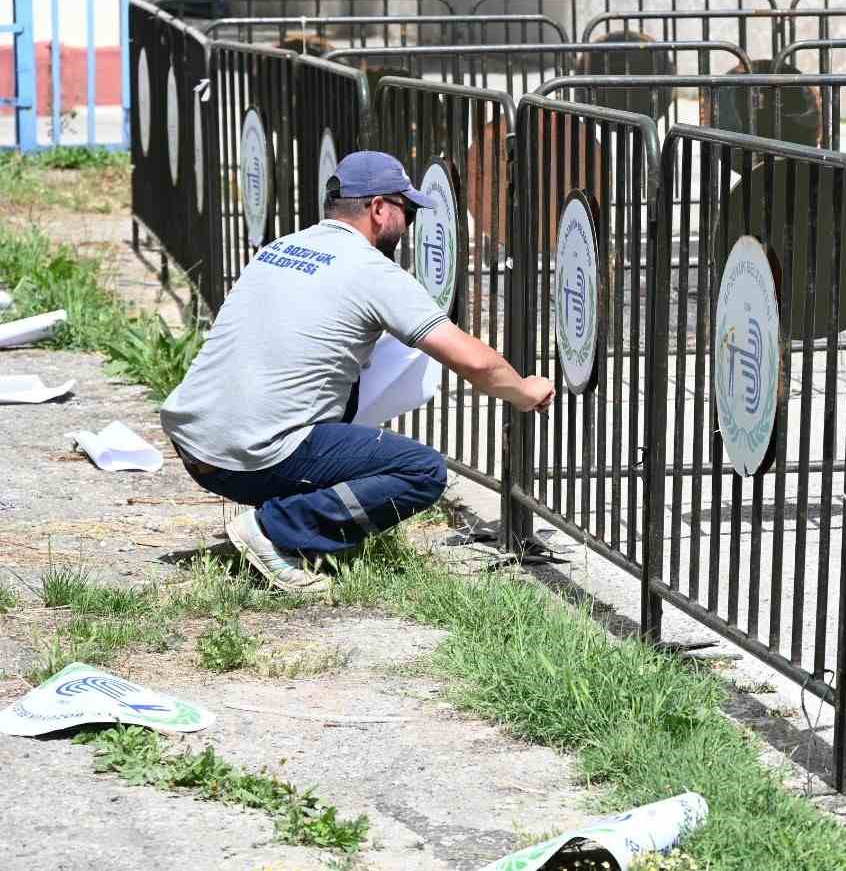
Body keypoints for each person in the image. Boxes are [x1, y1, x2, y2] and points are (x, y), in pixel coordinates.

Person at [160, 150, 554, 593]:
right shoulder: (371, 271)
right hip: (249, 455)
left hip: (197, 444)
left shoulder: (282, 247)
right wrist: (524, 390)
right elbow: (476, 362)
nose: (408, 225)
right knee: (421, 471)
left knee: (343, 398)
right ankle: (274, 530)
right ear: (379, 208)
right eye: (405, 210)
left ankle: (278, 517)